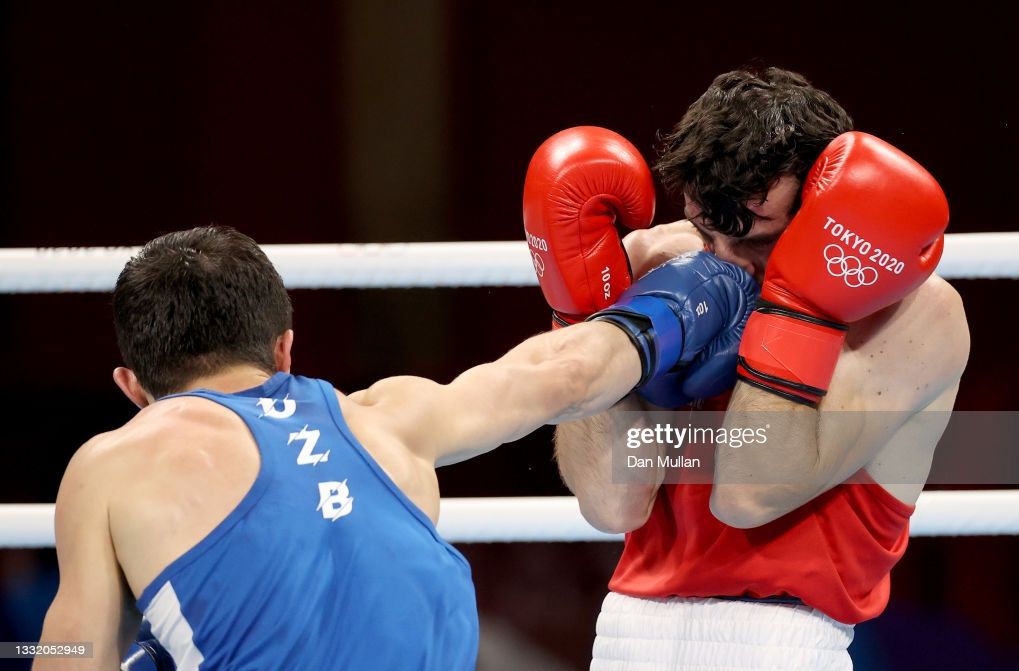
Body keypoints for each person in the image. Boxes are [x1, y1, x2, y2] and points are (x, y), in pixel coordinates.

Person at [34, 225, 759, 670]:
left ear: (131, 385)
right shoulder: (394, 414)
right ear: (285, 347)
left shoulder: (108, 463)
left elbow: (70, 658)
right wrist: (685, 290)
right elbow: (560, 373)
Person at [530, 67, 970, 670]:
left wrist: (799, 304)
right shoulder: (662, 266)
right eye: (708, 235)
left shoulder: (913, 314)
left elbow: (750, 492)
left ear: (825, 211)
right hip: (628, 631)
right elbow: (611, 505)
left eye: (759, 242)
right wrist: (583, 314)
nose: (727, 267)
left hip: (784, 639)